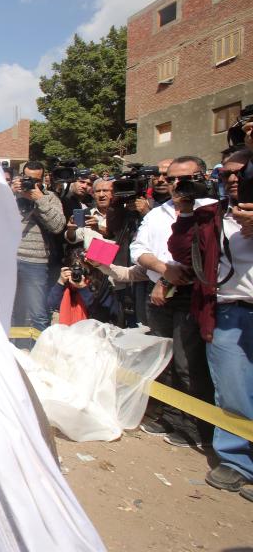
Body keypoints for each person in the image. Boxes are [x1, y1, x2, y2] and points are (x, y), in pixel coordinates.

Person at [168, 149, 253, 499]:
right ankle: (236, 462)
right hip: (227, 311)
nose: (233, 180)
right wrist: (186, 212)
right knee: (232, 390)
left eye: (242, 174)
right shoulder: (209, 215)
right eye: (226, 174)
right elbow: (181, 252)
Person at [131, 155, 217, 448]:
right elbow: (138, 249)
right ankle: (168, 414)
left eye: (185, 178)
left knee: (187, 362)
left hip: (194, 294)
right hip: (159, 294)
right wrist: (162, 270)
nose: (177, 185)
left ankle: (193, 425)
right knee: (163, 358)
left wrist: (169, 279)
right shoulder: (156, 214)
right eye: (172, 179)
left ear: (203, 177)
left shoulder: (213, 210)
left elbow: (205, 256)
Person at [10, 161, 65, 346]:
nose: (31, 183)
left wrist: (39, 198)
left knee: (38, 313)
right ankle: (11, 352)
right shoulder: (9, 195)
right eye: (27, 179)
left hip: (36, 262)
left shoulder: (49, 198)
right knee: (10, 309)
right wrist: (11, 193)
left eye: (36, 180)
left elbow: (58, 226)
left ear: (43, 179)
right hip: (9, 259)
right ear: (20, 177)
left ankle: (40, 355)